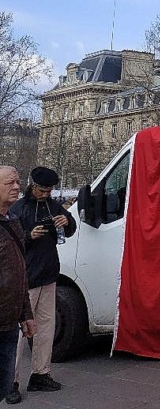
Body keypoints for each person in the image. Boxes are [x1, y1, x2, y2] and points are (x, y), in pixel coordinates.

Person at [6, 167, 76, 403]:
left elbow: (71, 228)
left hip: (48, 275)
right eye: (42, 190)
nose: (45, 194)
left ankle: (41, 374)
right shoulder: (18, 208)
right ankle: (10, 381)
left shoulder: (53, 205)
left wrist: (66, 220)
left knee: (45, 328)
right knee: (18, 333)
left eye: (49, 190)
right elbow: (10, 244)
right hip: (26, 278)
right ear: (32, 186)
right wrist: (28, 236)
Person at [0, 167, 35, 403]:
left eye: (18, 182)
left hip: (9, 322)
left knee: (3, 386)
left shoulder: (13, 221)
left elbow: (19, 271)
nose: (16, 187)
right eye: (9, 183)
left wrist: (25, 313)